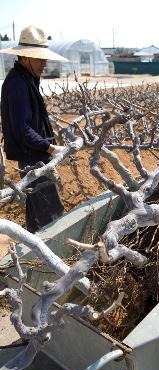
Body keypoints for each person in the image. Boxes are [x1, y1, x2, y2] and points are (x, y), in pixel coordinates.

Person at [0, 25, 68, 233]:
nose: (45, 64)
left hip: (35, 154)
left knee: (36, 207)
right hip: (32, 158)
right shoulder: (17, 84)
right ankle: (51, 253)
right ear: (25, 57)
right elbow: (23, 129)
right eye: (41, 59)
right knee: (50, 214)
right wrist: (51, 148)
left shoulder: (27, 79)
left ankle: (35, 246)